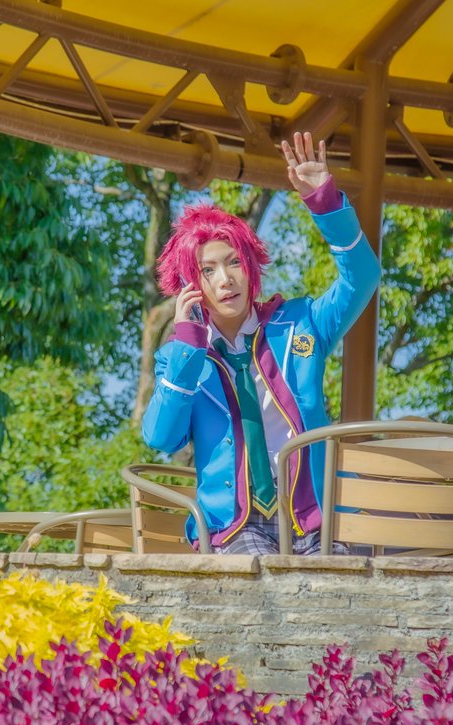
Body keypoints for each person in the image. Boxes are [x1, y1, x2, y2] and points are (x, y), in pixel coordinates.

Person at [141, 132, 381, 555]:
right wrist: (188, 345)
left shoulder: (301, 324)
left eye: (234, 262)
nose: (225, 279)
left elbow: (362, 277)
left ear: (251, 267)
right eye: (208, 270)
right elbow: (161, 437)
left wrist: (325, 202)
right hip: (234, 528)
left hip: (314, 517)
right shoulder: (181, 359)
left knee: (341, 583)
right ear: (190, 284)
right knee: (262, 582)